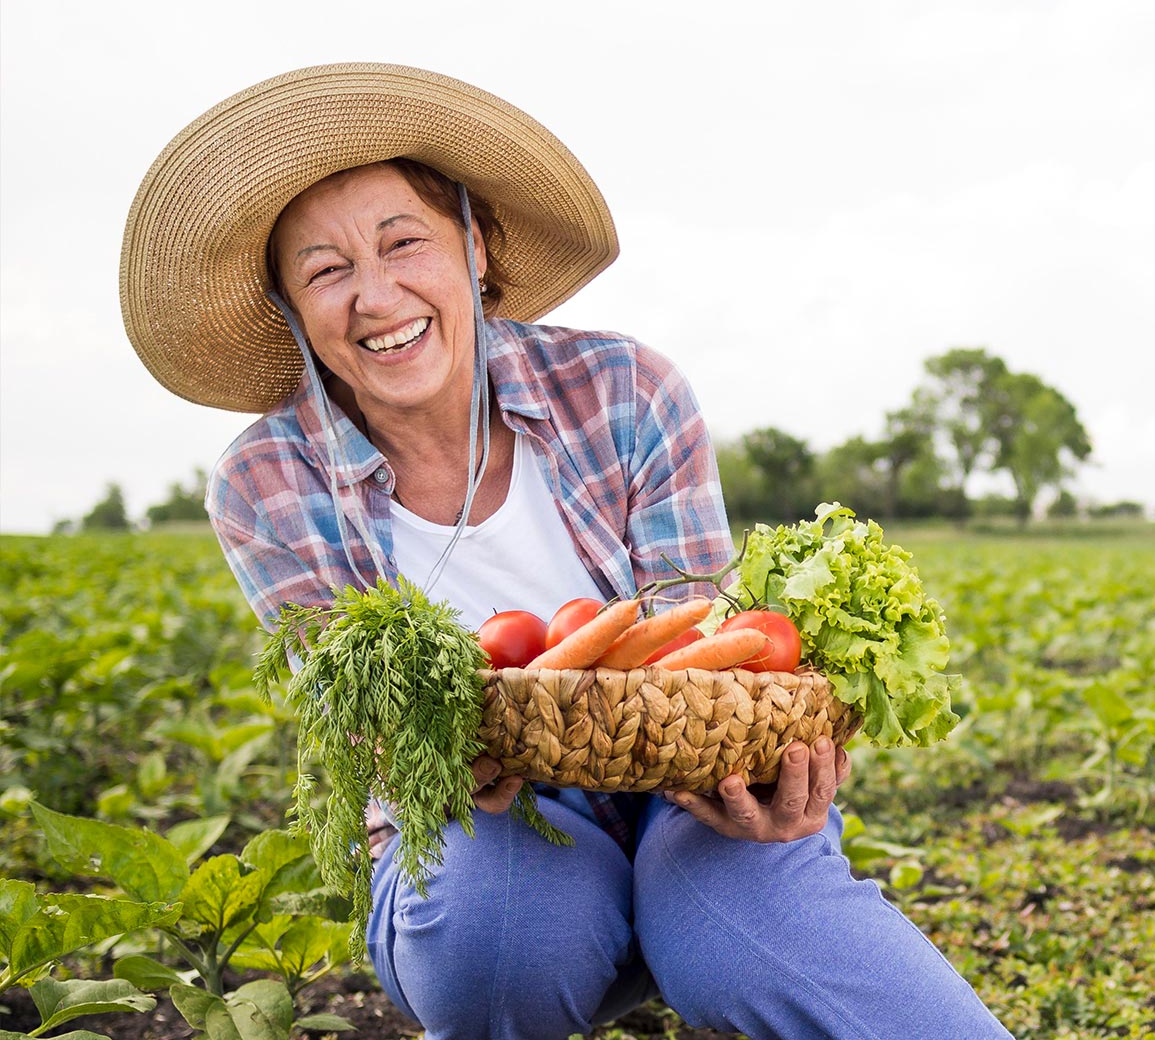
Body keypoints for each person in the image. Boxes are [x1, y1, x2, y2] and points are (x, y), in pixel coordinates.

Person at [120, 62, 1012, 1040]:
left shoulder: (625, 391)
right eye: (326, 270)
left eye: (403, 242)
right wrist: (437, 765)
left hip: (686, 792)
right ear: (291, 307)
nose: (375, 297)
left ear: (477, 249)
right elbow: (361, 716)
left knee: (753, 929)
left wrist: (773, 776)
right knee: (497, 943)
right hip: (483, 826)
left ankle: (696, 923)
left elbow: (711, 655)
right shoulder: (265, 485)